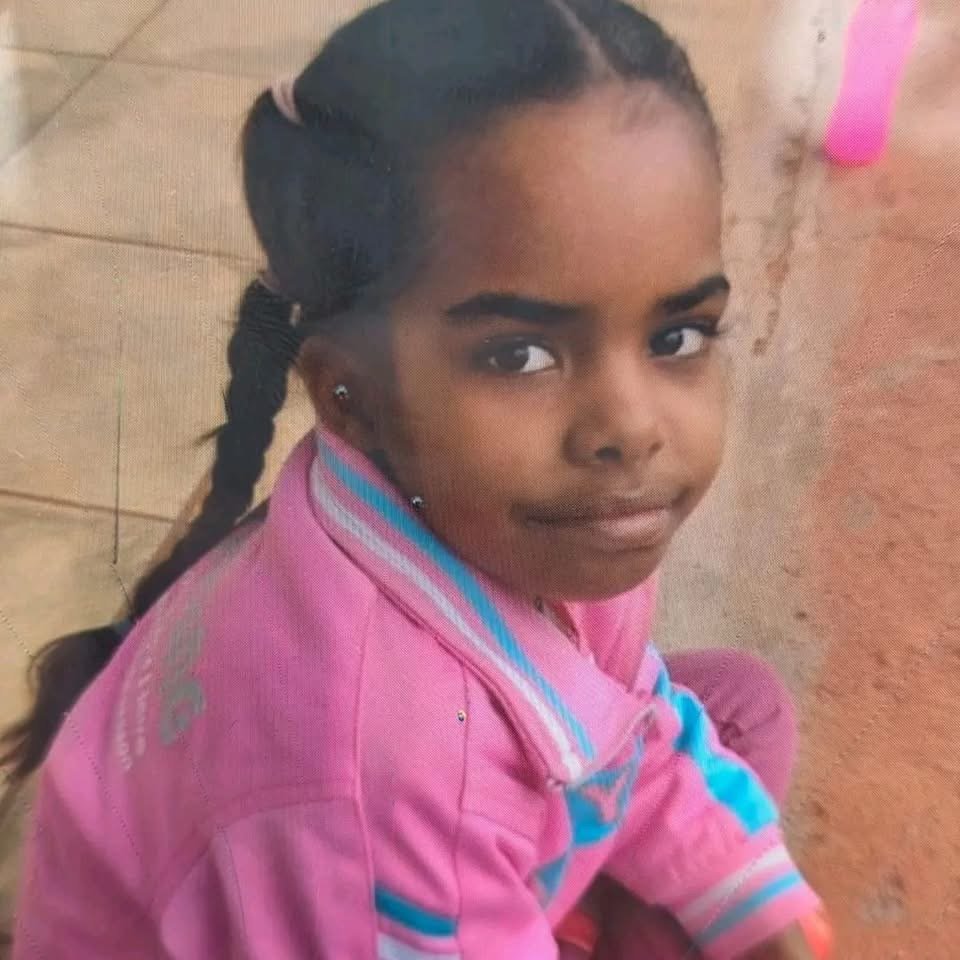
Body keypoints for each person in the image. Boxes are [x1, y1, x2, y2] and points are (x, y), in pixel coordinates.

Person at [2, 1, 828, 956]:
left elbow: (635, 715)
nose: (631, 429)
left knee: (739, 708)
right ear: (350, 396)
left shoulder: (544, 515)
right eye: (520, 356)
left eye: (677, 336)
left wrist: (753, 908)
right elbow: (400, 791)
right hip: (355, 875)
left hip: (393, 850)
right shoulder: (374, 774)